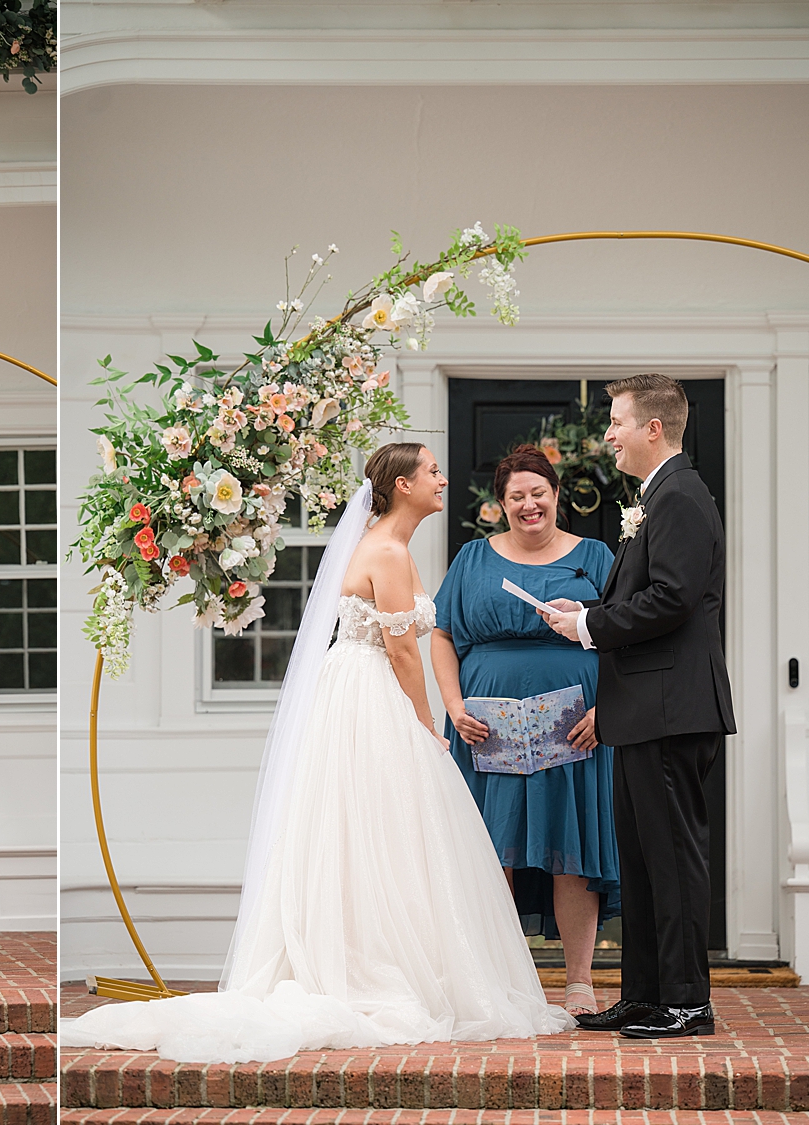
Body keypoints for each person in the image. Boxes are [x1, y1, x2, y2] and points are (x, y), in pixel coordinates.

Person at [62, 443, 571, 1063]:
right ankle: (371, 965)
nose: (443, 479)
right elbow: (404, 649)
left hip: (366, 687)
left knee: (386, 830)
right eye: (432, 471)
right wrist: (425, 722)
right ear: (402, 485)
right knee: (379, 825)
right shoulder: (385, 549)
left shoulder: (394, 546)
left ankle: (392, 954)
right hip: (371, 694)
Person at [541, 374, 735, 1040]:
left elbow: (674, 599)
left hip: (672, 707)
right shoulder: (660, 497)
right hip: (646, 709)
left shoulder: (679, 495)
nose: (610, 434)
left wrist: (589, 628)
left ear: (655, 427)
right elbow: (651, 594)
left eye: (618, 420)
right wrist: (590, 610)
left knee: (674, 858)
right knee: (646, 860)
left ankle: (686, 1001)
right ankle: (647, 995)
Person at [431, 444, 620, 1018]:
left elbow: (629, 636)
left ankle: (580, 983)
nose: (529, 504)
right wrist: (454, 704)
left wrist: (608, 709)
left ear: (557, 496)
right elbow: (442, 635)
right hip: (487, 727)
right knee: (492, 849)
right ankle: (496, 980)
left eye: (539, 492)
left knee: (573, 847)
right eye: (517, 496)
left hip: (577, 727)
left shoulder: (595, 556)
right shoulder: (471, 559)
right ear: (500, 503)